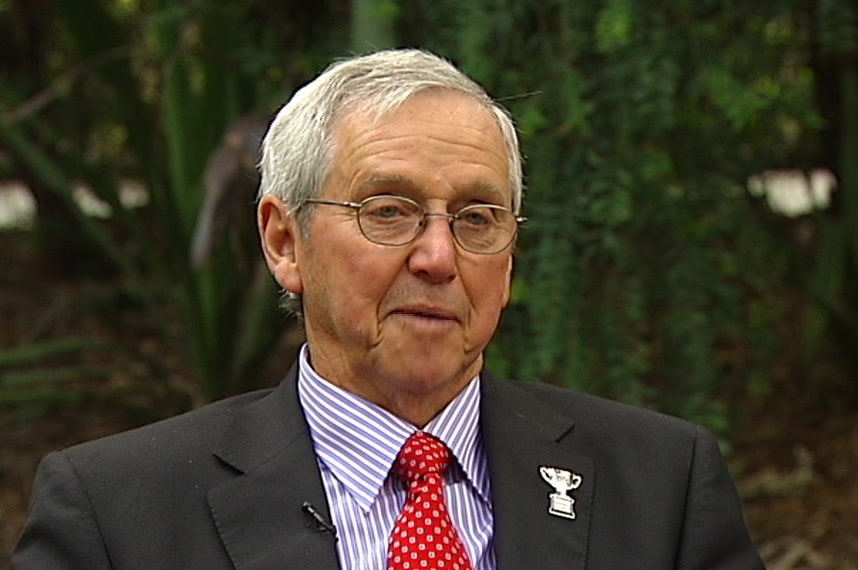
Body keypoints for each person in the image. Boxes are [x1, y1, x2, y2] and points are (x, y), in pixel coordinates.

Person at [12, 48, 764, 569]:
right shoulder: (119, 513)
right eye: (389, 210)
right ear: (285, 241)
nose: (439, 257)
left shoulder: (661, 486)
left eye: (476, 218)